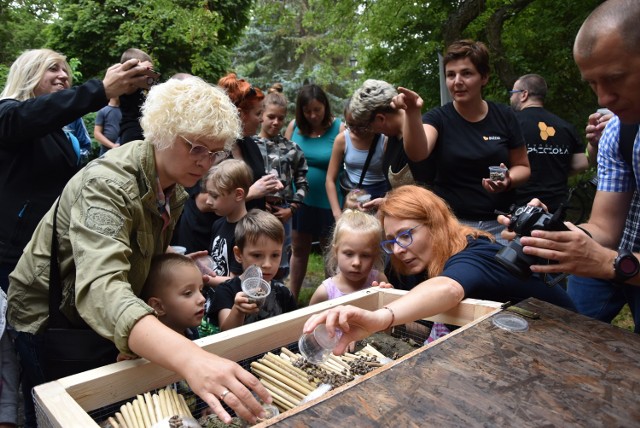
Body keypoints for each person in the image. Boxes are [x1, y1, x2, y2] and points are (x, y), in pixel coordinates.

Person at [7, 77, 270, 426]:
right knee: (55, 413)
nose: (206, 163)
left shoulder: (173, 189)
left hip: (91, 321)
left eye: (215, 152)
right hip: (48, 319)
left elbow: (138, 260)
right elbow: (101, 287)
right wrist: (191, 359)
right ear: (161, 131)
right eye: (196, 148)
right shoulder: (108, 184)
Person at [302, 185, 576, 354]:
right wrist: (398, 304)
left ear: (435, 224)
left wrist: (383, 316)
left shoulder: (476, 253)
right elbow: (434, 326)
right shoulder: (414, 263)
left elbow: (448, 288)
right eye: (391, 241)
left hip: (566, 342)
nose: (397, 249)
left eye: (405, 235)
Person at [496, 0, 640, 297]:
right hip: (619, 259)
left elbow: (605, 255)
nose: (603, 99)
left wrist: (606, 262)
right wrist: (550, 233)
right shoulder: (617, 130)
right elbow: (604, 226)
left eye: (614, 79)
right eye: (591, 83)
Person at [395, 40, 530, 244]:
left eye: (466, 73)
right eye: (451, 75)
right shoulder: (438, 118)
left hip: (501, 225)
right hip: (453, 225)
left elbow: (523, 167)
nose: (457, 81)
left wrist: (507, 179)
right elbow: (418, 153)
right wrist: (412, 113)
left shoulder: (504, 116)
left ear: (484, 77)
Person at [284, 84, 343, 299]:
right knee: (299, 249)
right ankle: (291, 298)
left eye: (317, 110)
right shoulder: (294, 127)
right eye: (307, 111)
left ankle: (331, 299)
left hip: (329, 202)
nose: (313, 115)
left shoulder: (339, 128)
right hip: (301, 201)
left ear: (325, 107)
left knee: (330, 252)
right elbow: (285, 161)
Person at [509, 74, 588, 212]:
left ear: (524, 95)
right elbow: (581, 163)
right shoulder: (565, 126)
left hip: (519, 206)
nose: (511, 97)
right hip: (556, 206)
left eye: (513, 93)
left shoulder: (510, 124)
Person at [210, 209, 297, 331]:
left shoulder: (284, 293)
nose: (267, 264)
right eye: (257, 255)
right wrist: (238, 310)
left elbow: (292, 330)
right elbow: (225, 333)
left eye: (275, 255)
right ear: (239, 254)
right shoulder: (226, 290)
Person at [256, 89, 309, 279]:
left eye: (281, 118)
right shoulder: (249, 145)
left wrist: (292, 209)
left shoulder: (292, 149)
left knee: (282, 257)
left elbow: (303, 183)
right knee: (255, 255)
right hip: (256, 210)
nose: (276, 122)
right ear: (261, 115)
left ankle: (279, 299)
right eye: (271, 116)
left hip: (282, 212)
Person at [309, 209, 387, 305]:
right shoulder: (324, 293)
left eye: (365, 255)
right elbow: (308, 319)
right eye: (349, 254)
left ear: (376, 255)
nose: (356, 263)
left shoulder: (379, 280)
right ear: (335, 252)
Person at [326, 100, 388, 218]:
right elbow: (330, 179)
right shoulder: (342, 140)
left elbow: (394, 181)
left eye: (360, 125)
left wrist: (381, 212)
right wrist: (337, 214)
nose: (354, 130)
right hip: (353, 195)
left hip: (380, 195)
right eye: (350, 125)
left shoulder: (384, 139)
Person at [205, 159, 253, 287]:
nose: (208, 202)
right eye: (208, 194)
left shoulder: (246, 232)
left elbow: (236, 281)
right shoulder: (218, 224)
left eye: (214, 196)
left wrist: (202, 278)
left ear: (238, 194)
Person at [141, 254, 206, 339]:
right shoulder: (148, 348)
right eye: (188, 293)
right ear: (158, 306)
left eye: (201, 290)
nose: (202, 299)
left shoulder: (191, 330)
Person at [118, 48, 156, 145]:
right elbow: (128, 82)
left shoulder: (144, 86)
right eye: (146, 70)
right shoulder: (127, 85)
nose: (149, 74)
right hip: (131, 132)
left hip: (146, 130)